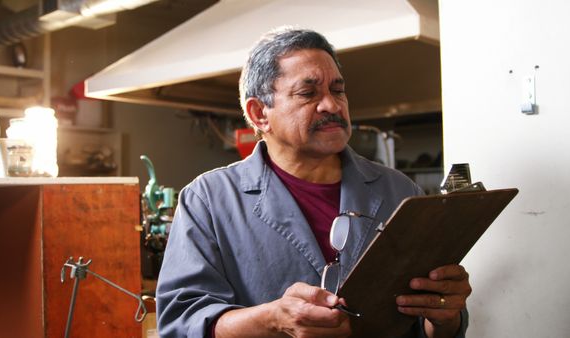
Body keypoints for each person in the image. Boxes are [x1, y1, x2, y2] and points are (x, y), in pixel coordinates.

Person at [156, 27, 471, 338]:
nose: (332, 106)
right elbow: (181, 324)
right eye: (308, 93)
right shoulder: (208, 200)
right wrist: (272, 320)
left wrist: (444, 318)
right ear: (259, 113)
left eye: (337, 90)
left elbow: (425, 325)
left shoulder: (400, 192)